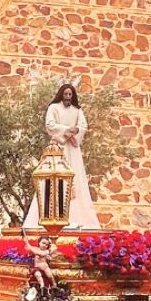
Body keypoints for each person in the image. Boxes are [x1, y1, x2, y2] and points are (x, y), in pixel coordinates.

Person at [24, 83, 101, 229]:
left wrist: (75, 131)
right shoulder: (54, 108)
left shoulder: (77, 110)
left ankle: (78, 217)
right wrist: (67, 130)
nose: (68, 97)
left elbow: (83, 125)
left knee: (76, 180)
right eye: (65, 94)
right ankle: (49, 216)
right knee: (53, 179)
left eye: (70, 94)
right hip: (58, 148)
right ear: (61, 94)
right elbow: (50, 125)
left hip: (72, 148)